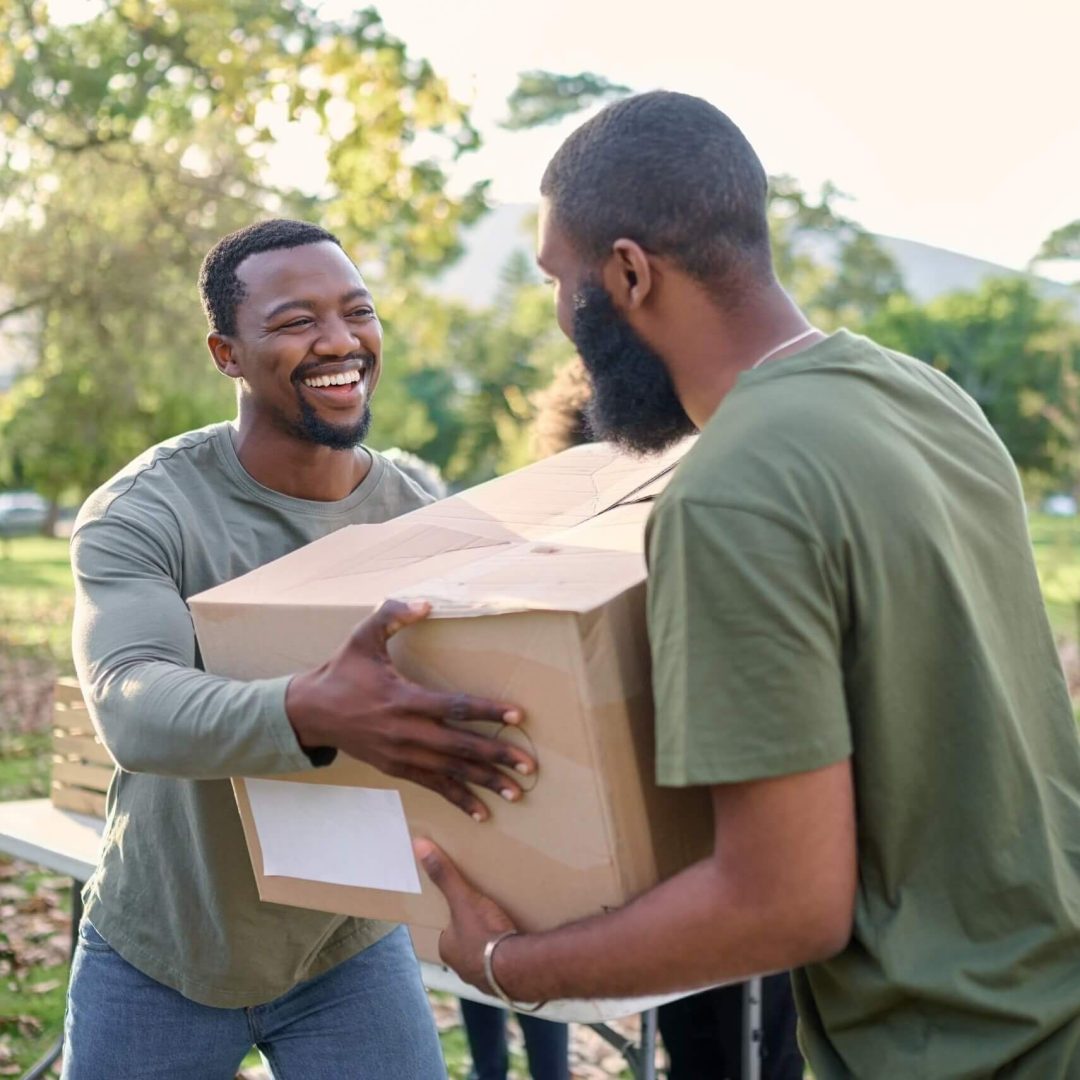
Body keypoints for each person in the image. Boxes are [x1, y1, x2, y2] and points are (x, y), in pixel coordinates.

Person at [413, 92, 1080, 1078]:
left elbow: (782, 904)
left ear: (630, 273)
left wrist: (510, 963)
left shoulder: (732, 491)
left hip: (960, 1049)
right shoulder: (926, 396)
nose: (561, 319)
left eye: (562, 281)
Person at [65, 218, 536, 1079]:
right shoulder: (144, 511)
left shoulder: (420, 512)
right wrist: (310, 708)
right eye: (294, 322)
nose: (339, 341)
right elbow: (131, 700)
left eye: (357, 311)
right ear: (226, 353)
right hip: (165, 943)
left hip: (342, 944)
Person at [532, 357, 802, 1080]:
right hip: (663, 815)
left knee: (759, 1032)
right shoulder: (588, 530)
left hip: (741, 812)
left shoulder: (725, 512)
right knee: (703, 1033)